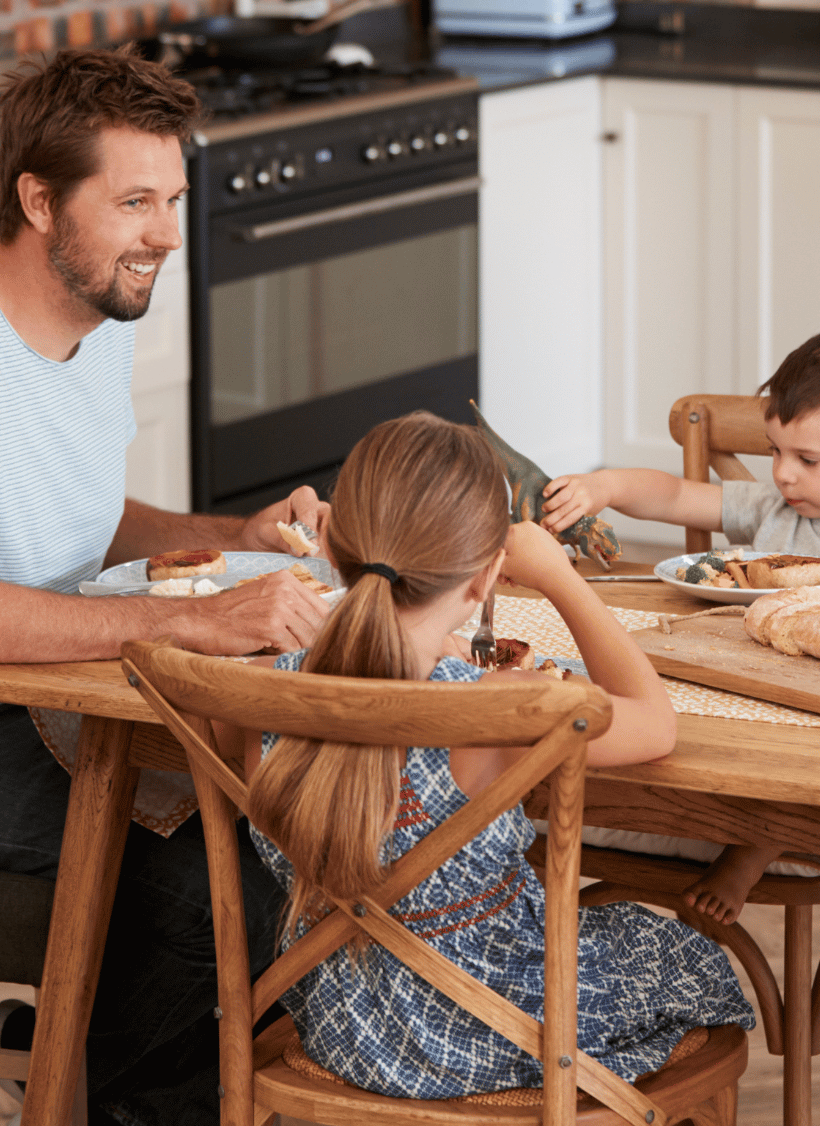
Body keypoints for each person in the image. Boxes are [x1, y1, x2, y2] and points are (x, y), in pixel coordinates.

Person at [0, 47, 331, 1126]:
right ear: (37, 200)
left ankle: (52, 1063)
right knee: (212, 892)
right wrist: (188, 627)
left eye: (171, 199)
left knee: (293, 825)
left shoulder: (89, 325)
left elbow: (80, 524)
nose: (166, 236)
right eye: (133, 201)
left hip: (41, 698)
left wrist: (229, 536)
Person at [235, 413, 756, 1098]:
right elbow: (655, 724)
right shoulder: (500, 705)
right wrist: (559, 580)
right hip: (501, 1024)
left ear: (330, 546)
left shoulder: (264, 689)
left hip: (345, 1024)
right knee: (682, 953)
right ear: (485, 579)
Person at [540, 325, 820, 923]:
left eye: (807, 459)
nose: (784, 474)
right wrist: (603, 485)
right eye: (775, 453)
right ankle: (677, 815)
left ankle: (753, 848)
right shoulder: (776, 509)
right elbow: (672, 498)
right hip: (739, 687)